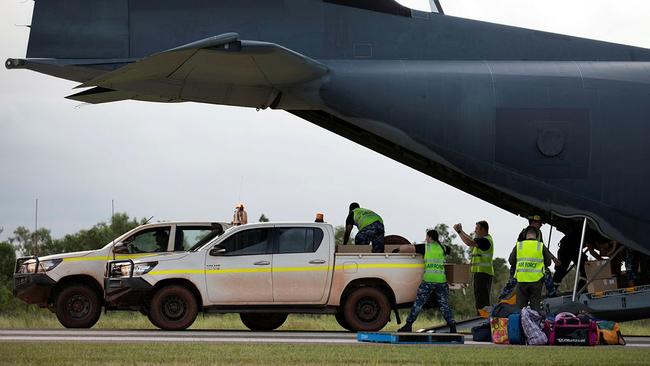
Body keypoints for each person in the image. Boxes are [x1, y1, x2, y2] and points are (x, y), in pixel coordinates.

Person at [398, 229, 456, 333]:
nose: (425, 239)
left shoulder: (426, 247)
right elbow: (450, 250)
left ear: (430, 237)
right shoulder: (443, 248)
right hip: (441, 281)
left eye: (426, 237)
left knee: (419, 303)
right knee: (444, 305)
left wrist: (397, 249)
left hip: (428, 280)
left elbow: (408, 248)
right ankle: (452, 326)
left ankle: (408, 325)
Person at [453, 221, 493, 312]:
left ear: (483, 230)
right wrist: (461, 231)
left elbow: (469, 242)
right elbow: (471, 239)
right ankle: (482, 321)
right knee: (481, 301)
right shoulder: (484, 240)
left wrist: (459, 232)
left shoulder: (485, 241)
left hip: (483, 274)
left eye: (477, 229)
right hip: (482, 274)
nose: (475, 231)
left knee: (482, 303)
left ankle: (483, 322)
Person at [509, 226, 552, 312]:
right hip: (536, 281)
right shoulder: (540, 246)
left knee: (520, 309)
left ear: (525, 235)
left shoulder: (519, 245)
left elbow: (511, 261)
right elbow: (548, 263)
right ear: (536, 236)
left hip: (521, 281)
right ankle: (534, 325)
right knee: (535, 308)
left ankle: (521, 324)